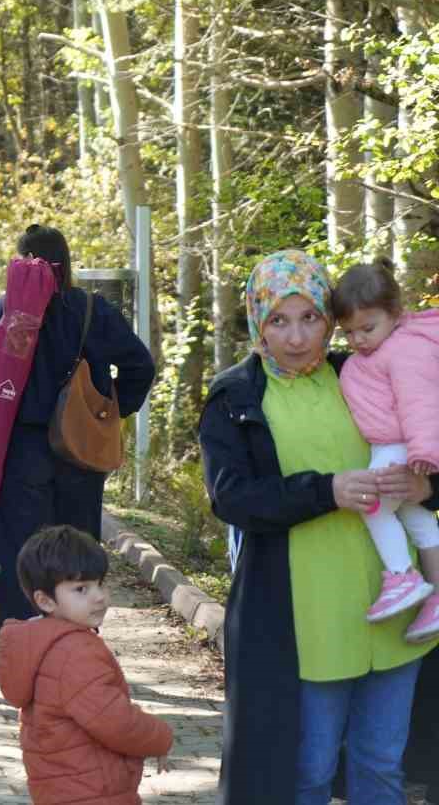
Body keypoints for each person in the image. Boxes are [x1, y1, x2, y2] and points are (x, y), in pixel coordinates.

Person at [202, 249, 439, 805]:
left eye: (310, 318)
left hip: (397, 614)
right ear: (258, 319)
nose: (296, 337)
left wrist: (426, 488)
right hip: (305, 623)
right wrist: (326, 490)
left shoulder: (361, 367)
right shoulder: (237, 395)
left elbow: (428, 436)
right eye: (279, 320)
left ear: (330, 318)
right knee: (305, 773)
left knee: (382, 768)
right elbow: (231, 496)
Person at [0, 225, 153, 632]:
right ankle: (75, 650)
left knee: (22, 555)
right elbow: (142, 365)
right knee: (77, 557)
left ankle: (21, 650)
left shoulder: (6, 312)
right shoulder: (93, 310)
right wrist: (109, 409)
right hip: (80, 451)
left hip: (21, 451)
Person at [0, 526, 173, 805]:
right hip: (93, 789)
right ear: (45, 600)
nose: (99, 596)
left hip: (59, 786)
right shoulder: (75, 653)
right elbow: (115, 722)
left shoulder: (39, 641)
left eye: (100, 583)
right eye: (81, 589)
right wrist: (160, 736)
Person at [331, 260, 439, 637]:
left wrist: (425, 451)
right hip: (395, 444)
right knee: (418, 519)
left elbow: (421, 401)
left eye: (367, 327)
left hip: (399, 446)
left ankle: (401, 576)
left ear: (395, 313)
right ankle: (437, 599)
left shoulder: (404, 351)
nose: (358, 340)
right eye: (348, 332)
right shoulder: (380, 350)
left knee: (372, 503)